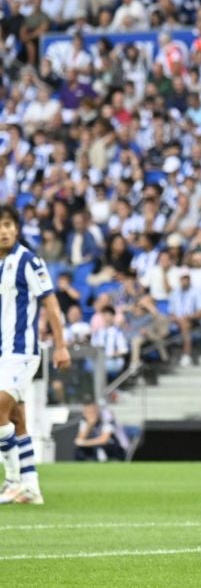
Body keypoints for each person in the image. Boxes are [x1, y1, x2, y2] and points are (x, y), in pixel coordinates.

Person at [0, 204, 71, 505]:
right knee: (17, 420)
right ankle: (31, 486)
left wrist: (61, 344)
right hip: (3, 353)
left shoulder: (28, 261)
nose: (4, 231)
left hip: (22, 352)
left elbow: (51, 305)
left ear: (16, 228)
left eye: (8, 224)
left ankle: (13, 480)